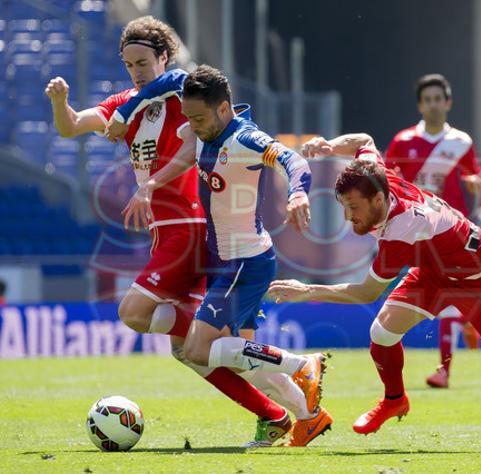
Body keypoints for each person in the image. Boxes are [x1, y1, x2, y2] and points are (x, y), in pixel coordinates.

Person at [45, 16, 324, 447]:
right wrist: (60, 103)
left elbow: (178, 79)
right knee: (194, 353)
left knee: (134, 313)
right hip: (168, 231)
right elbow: (71, 126)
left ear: (162, 56)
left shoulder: (181, 94)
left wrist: (126, 114)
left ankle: (269, 373)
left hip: (189, 225)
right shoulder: (129, 101)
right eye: (128, 64)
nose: (136, 72)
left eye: (143, 62)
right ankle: (287, 416)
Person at [269, 133, 481, 451]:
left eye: (353, 207)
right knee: (382, 332)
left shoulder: (401, 229)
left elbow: (366, 292)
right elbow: (364, 141)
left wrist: (307, 290)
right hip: (436, 273)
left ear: (379, 200)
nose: (348, 217)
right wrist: (330, 147)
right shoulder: (377, 178)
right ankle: (395, 400)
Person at [105, 64, 333, 447]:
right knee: (239, 359)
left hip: (244, 263)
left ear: (224, 109)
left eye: (198, 118)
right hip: (227, 261)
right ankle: (308, 418)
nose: (192, 126)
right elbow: (184, 155)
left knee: (198, 349)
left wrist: (298, 192)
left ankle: (301, 364)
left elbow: (293, 160)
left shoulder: (245, 138)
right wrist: (151, 185)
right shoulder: (203, 133)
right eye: (189, 118)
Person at [385, 74, 481, 388]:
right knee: (447, 293)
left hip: (452, 226)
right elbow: (386, 179)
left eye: (438, 99)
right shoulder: (403, 141)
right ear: (420, 104)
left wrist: (475, 185)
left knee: (445, 291)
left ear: (448, 102)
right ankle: (468, 318)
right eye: (427, 99)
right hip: (416, 228)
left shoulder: (460, 142)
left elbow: (475, 178)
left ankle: (444, 370)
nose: (433, 104)